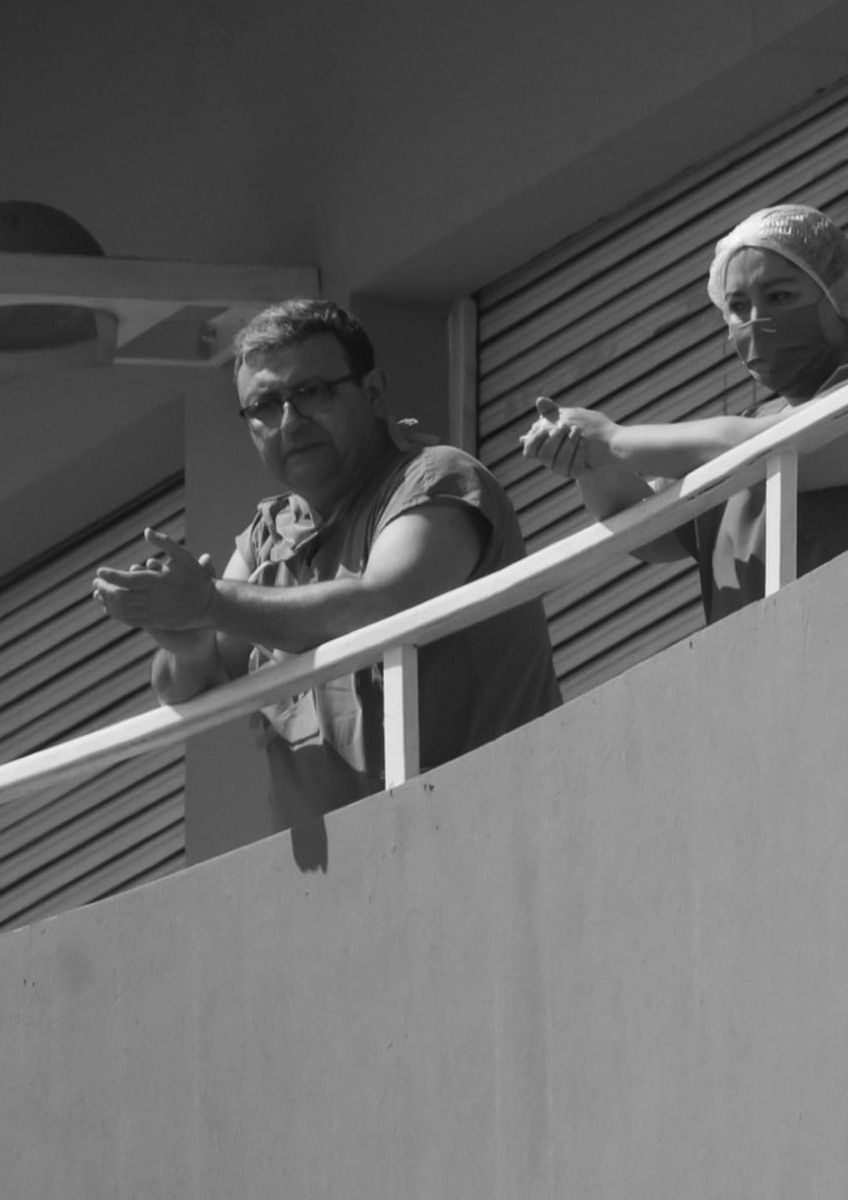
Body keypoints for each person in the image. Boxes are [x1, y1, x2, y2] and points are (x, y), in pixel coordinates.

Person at [93, 297, 559, 835]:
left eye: (311, 392)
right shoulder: (267, 535)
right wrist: (186, 638)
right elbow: (187, 688)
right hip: (335, 890)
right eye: (264, 405)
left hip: (491, 832)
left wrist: (207, 604)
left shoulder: (438, 478)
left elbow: (385, 602)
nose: (289, 421)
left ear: (374, 391)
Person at [511, 204, 848, 624]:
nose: (755, 320)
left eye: (780, 296)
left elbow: (786, 445)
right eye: (738, 307)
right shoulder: (739, 429)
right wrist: (586, 458)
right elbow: (646, 528)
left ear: (839, 298)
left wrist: (613, 440)